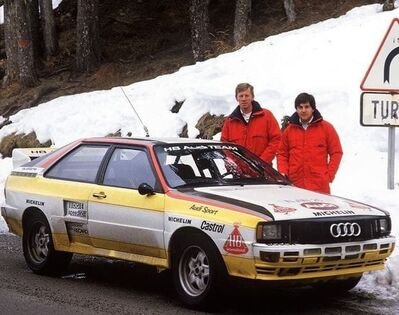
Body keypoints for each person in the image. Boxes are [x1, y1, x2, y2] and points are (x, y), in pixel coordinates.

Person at [277, 92, 343, 194]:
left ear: (313, 108)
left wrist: (329, 175)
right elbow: (282, 153)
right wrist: (283, 172)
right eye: (300, 107)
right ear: (296, 109)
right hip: (295, 185)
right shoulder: (289, 130)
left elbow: (336, 152)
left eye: (307, 107)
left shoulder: (326, 128)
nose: (303, 110)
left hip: (319, 187)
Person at [221, 83, 281, 164]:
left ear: (252, 97)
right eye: (241, 96)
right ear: (236, 98)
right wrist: (233, 164)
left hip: (263, 171)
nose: (244, 99)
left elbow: (276, 140)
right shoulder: (230, 121)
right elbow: (225, 146)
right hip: (239, 173)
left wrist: (262, 162)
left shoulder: (266, 116)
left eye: (247, 95)